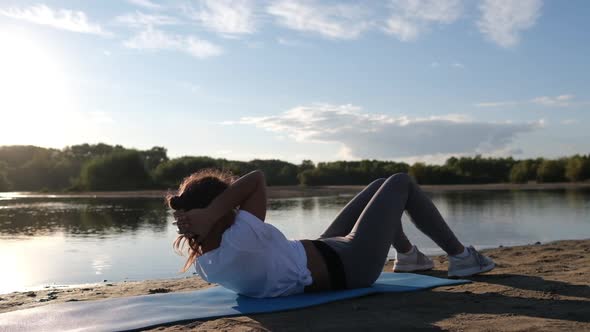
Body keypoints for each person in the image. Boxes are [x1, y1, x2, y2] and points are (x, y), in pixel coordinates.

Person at [171, 169, 495, 298]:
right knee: (399, 182)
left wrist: (207, 216)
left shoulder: (205, 262)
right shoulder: (241, 238)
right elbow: (255, 179)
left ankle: (409, 256)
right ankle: (461, 257)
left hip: (319, 253)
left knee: (376, 190)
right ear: (217, 209)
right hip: (351, 266)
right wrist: (213, 211)